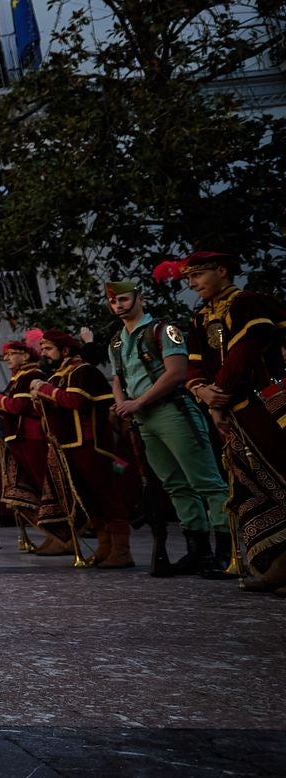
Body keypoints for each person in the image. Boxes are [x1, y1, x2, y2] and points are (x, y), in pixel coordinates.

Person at [169, 250, 286, 591]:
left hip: (266, 401)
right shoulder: (201, 316)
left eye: (198, 275)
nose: (192, 283)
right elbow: (192, 363)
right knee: (253, 485)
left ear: (222, 270)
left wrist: (218, 391)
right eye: (188, 278)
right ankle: (276, 562)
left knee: (280, 473)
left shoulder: (249, 302)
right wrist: (203, 392)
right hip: (232, 408)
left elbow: (247, 349)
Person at [105, 278, 230, 575]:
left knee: (206, 481)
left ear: (139, 298)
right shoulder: (117, 340)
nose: (118, 305)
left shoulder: (163, 330)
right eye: (113, 301)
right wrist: (123, 403)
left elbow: (176, 373)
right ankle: (197, 550)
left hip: (172, 410)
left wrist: (137, 402)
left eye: (123, 299)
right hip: (143, 418)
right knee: (174, 484)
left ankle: (228, 551)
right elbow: (118, 379)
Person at [30, 329, 141, 569]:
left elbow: (75, 401)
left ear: (66, 350)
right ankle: (104, 546)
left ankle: (122, 550)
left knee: (108, 496)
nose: (44, 354)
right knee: (88, 499)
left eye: (48, 348)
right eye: (43, 349)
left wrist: (44, 390)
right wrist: (39, 398)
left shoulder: (83, 371)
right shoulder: (56, 376)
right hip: (68, 444)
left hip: (93, 445)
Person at [0, 337, 73, 556]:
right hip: (20, 438)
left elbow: (20, 405)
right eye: (5, 355)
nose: (7, 358)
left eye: (12, 353)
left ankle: (66, 536)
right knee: (34, 489)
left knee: (46, 488)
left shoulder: (31, 375)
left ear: (25, 355)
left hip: (33, 437)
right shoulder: (18, 378)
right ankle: (54, 535)